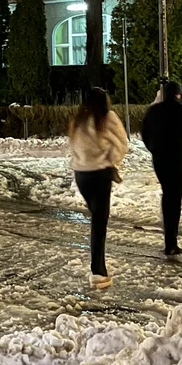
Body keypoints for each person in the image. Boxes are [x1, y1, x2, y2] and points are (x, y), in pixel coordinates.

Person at [68, 87, 128, 289]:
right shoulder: (107, 116)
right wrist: (112, 161)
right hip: (100, 173)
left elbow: (74, 146)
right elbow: (122, 143)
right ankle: (98, 272)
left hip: (81, 175)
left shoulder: (79, 119)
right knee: (100, 222)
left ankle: (98, 268)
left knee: (97, 219)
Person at [141, 80, 182, 256]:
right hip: (177, 159)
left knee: (167, 193)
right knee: (175, 198)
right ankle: (172, 241)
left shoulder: (153, 111)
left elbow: (145, 133)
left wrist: (154, 149)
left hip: (160, 160)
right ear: (178, 94)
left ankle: (168, 240)